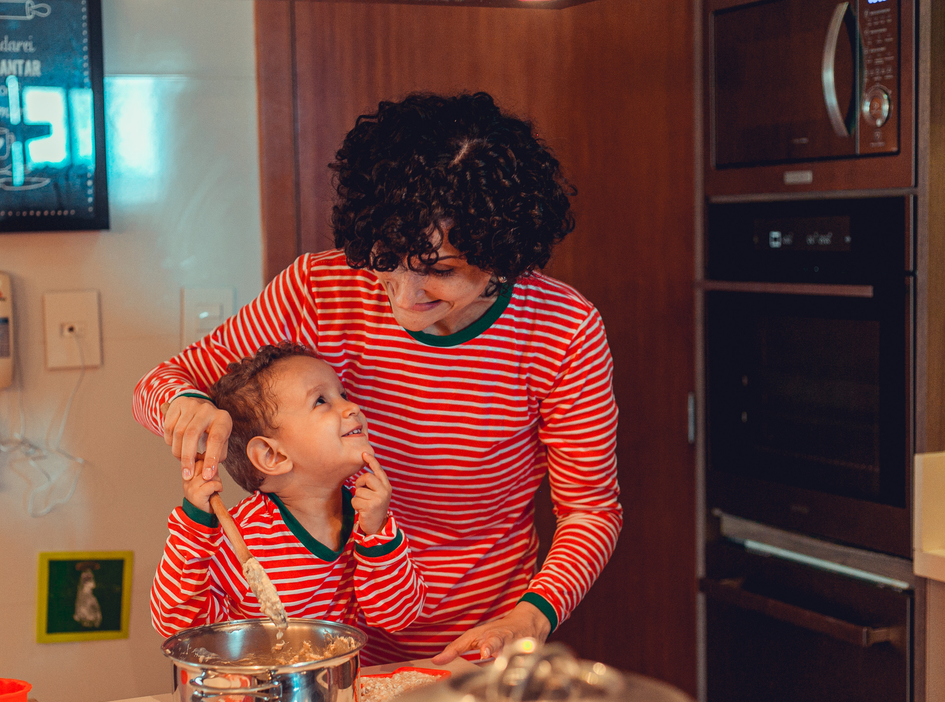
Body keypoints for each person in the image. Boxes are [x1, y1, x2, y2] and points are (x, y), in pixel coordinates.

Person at [135, 91, 621, 664]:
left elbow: (590, 510)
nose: (404, 295)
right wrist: (188, 402)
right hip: (340, 651)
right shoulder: (323, 287)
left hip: (482, 644)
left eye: (439, 272)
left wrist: (531, 614)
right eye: (387, 257)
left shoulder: (561, 328)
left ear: (503, 256)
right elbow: (163, 382)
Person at [149, 342, 425, 640]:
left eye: (342, 395)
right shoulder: (241, 537)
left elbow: (397, 615)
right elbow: (176, 625)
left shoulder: (366, 513)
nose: (353, 407)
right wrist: (194, 527)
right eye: (321, 401)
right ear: (272, 456)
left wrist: (378, 533)